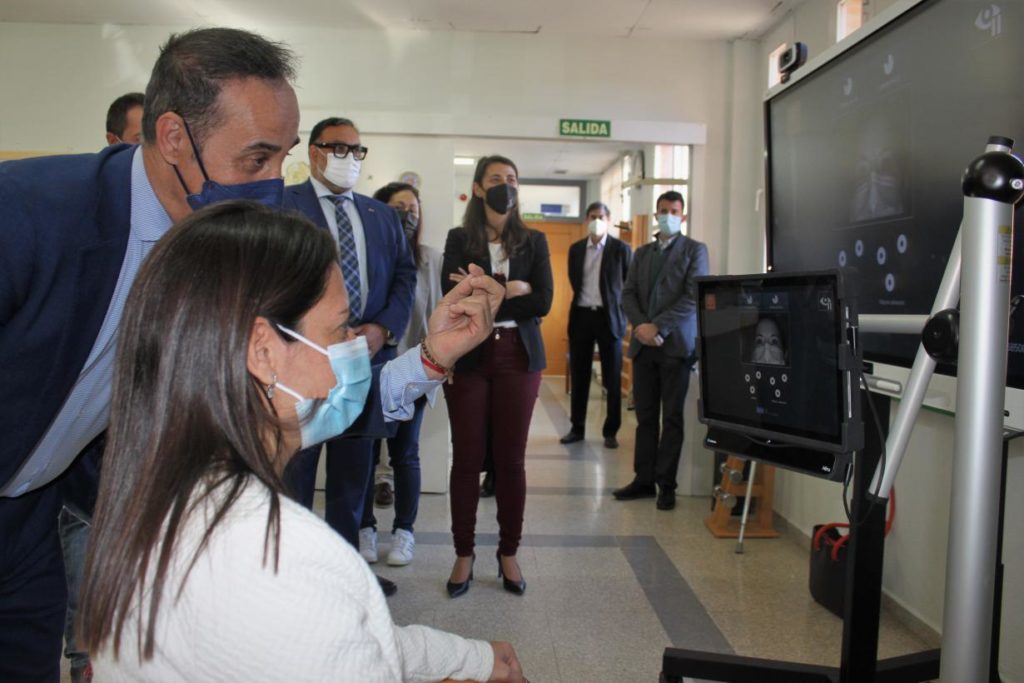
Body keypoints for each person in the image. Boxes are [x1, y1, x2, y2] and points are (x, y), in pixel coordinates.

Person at [78, 201, 527, 683]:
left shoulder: (161, 490)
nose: (354, 346)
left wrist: (469, 659)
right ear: (262, 351)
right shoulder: (288, 560)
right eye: (339, 329)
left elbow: (349, 639)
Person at [0, 27, 300, 683]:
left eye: (285, 157)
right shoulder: (25, 213)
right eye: (256, 158)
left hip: (27, 523)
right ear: (172, 138)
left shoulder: (214, 253)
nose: (275, 183)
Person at [282, 117, 416, 596]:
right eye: (339, 148)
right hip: (302, 362)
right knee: (296, 474)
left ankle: (345, 576)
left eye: (357, 151)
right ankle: (294, 579)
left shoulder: (380, 215)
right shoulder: (283, 205)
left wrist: (383, 328)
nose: (350, 159)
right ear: (314, 152)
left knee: (352, 477)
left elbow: (404, 276)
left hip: (363, 362)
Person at [441, 155, 553, 598]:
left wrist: (484, 289)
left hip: (519, 356)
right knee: (467, 459)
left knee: (511, 460)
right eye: (496, 179)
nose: (505, 185)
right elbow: (452, 298)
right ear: (478, 188)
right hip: (469, 354)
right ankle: (463, 553)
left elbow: (543, 301)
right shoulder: (459, 238)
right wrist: (511, 289)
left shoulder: (534, 240)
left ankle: (509, 551)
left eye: (511, 179)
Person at [358, 181, 444, 567]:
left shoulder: (431, 260)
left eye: (413, 209)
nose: (407, 215)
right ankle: (365, 527)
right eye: (398, 208)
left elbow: (438, 316)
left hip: (414, 370)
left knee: (405, 454)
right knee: (364, 453)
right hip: (371, 367)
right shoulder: (368, 256)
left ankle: (404, 532)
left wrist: (437, 365)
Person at [613, 191, 709, 511]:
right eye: (663, 210)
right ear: (656, 215)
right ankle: (643, 480)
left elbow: (693, 295)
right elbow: (628, 294)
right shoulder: (642, 253)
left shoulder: (695, 250)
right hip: (644, 346)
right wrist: (642, 326)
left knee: (672, 418)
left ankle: (666, 485)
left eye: (674, 211)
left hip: (675, 347)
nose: (668, 215)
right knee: (645, 418)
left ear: (683, 216)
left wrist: (659, 327)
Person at [561, 202, 633, 449]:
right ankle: (577, 428)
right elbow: (574, 280)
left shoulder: (621, 249)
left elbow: (628, 285)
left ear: (609, 219)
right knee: (580, 376)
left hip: (609, 318)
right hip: (581, 316)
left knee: (612, 378)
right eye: (592, 216)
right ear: (586, 220)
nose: (597, 221)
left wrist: (623, 314)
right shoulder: (576, 249)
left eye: (601, 217)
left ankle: (610, 431)